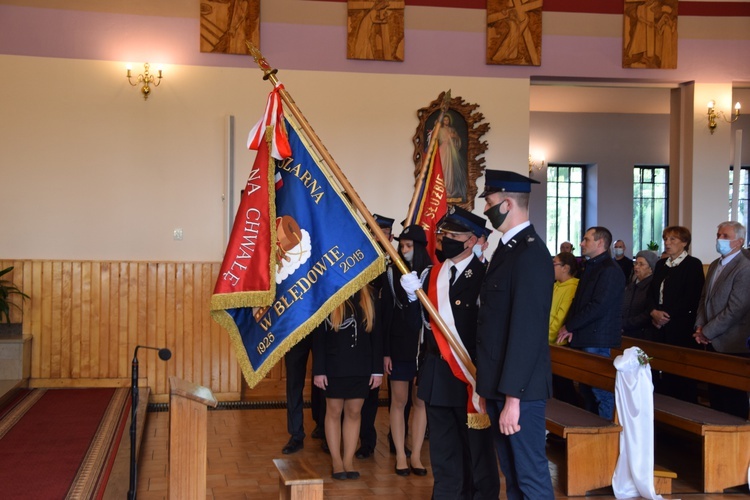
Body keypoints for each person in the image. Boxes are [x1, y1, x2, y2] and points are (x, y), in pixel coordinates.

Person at [401, 206, 499, 498]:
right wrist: (410, 298)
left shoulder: (486, 277)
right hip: (437, 374)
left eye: (455, 235)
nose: (446, 240)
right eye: (444, 235)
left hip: (471, 379)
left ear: (472, 241)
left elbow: (489, 332)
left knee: (476, 453)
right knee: (443, 454)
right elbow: (418, 327)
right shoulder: (432, 274)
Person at [474, 170, 555, 499]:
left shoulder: (531, 254)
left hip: (519, 390)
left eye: (490, 202)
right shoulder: (508, 249)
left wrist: (513, 398)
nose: (486, 210)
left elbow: (526, 332)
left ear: (507, 203)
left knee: (530, 475)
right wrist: (489, 387)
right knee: (512, 473)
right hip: (500, 385)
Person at [313, 286, 383, 480]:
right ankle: (336, 460)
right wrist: (319, 370)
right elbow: (319, 336)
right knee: (334, 411)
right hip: (334, 365)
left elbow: (377, 335)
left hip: (361, 365)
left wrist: (377, 370)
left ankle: (348, 460)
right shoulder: (328, 293)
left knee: (354, 412)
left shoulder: (368, 295)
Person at [557, 227, 624, 420]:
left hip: (598, 338)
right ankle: (590, 432)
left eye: (586, 240)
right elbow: (578, 302)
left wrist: (570, 326)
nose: (581, 243)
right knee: (586, 389)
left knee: (601, 391)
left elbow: (599, 306)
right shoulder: (591, 266)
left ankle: (606, 434)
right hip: (586, 335)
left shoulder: (610, 270)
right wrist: (571, 327)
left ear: (600, 243)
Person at [384, 224, 429, 476]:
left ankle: (417, 455)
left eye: (409, 246)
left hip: (424, 348)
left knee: (420, 403)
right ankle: (401, 454)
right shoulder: (392, 272)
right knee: (399, 402)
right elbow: (387, 314)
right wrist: (386, 352)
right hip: (400, 346)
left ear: (419, 248)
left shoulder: (431, 273)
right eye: (402, 246)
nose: (404, 250)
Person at [693, 221, 750, 418]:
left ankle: (736, 442)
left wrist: (707, 332)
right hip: (711, 340)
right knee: (715, 396)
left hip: (732, 343)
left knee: (732, 399)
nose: (719, 239)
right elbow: (704, 299)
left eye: (725, 236)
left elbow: (735, 309)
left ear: (739, 241)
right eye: (718, 235)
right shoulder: (716, 264)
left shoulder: (744, 268)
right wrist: (700, 326)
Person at [648, 225, 704, 403]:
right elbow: (651, 293)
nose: (667, 243)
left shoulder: (692, 264)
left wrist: (666, 316)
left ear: (684, 243)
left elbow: (691, 297)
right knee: (660, 372)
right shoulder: (660, 264)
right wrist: (654, 312)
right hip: (658, 325)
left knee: (681, 378)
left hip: (680, 326)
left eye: (673, 239)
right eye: (665, 239)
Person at [355, 213, 395, 459]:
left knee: (371, 398)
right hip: (361, 329)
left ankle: (369, 441)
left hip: (384, 332)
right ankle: (353, 439)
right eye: (372, 232)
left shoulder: (395, 263)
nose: (376, 236)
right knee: (355, 396)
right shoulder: (361, 259)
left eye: (381, 232)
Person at [281, 333, 324, 455]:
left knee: (324, 381)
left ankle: (324, 429)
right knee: (294, 382)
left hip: (322, 323)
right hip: (295, 327)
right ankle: (296, 435)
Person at [549, 252, 579, 405]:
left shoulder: (573, 287)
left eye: (554, 264)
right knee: (553, 386)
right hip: (548, 342)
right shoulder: (555, 285)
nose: (550, 267)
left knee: (563, 387)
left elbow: (561, 316)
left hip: (559, 344)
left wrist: (546, 337)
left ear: (565, 268)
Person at [621, 250, 659, 340]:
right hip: (626, 332)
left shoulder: (653, 286)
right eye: (636, 263)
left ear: (651, 269)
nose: (636, 267)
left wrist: (624, 324)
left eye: (641, 264)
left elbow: (647, 314)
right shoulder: (631, 286)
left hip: (643, 335)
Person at [435, 113, 467, 201]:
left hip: (451, 151)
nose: (446, 121)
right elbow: (436, 140)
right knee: (443, 169)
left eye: (447, 120)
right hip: (443, 151)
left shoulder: (452, 129)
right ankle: (441, 190)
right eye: (444, 120)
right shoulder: (440, 130)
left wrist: (454, 137)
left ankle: (449, 190)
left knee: (450, 171)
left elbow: (458, 141)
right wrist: (447, 138)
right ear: (442, 121)